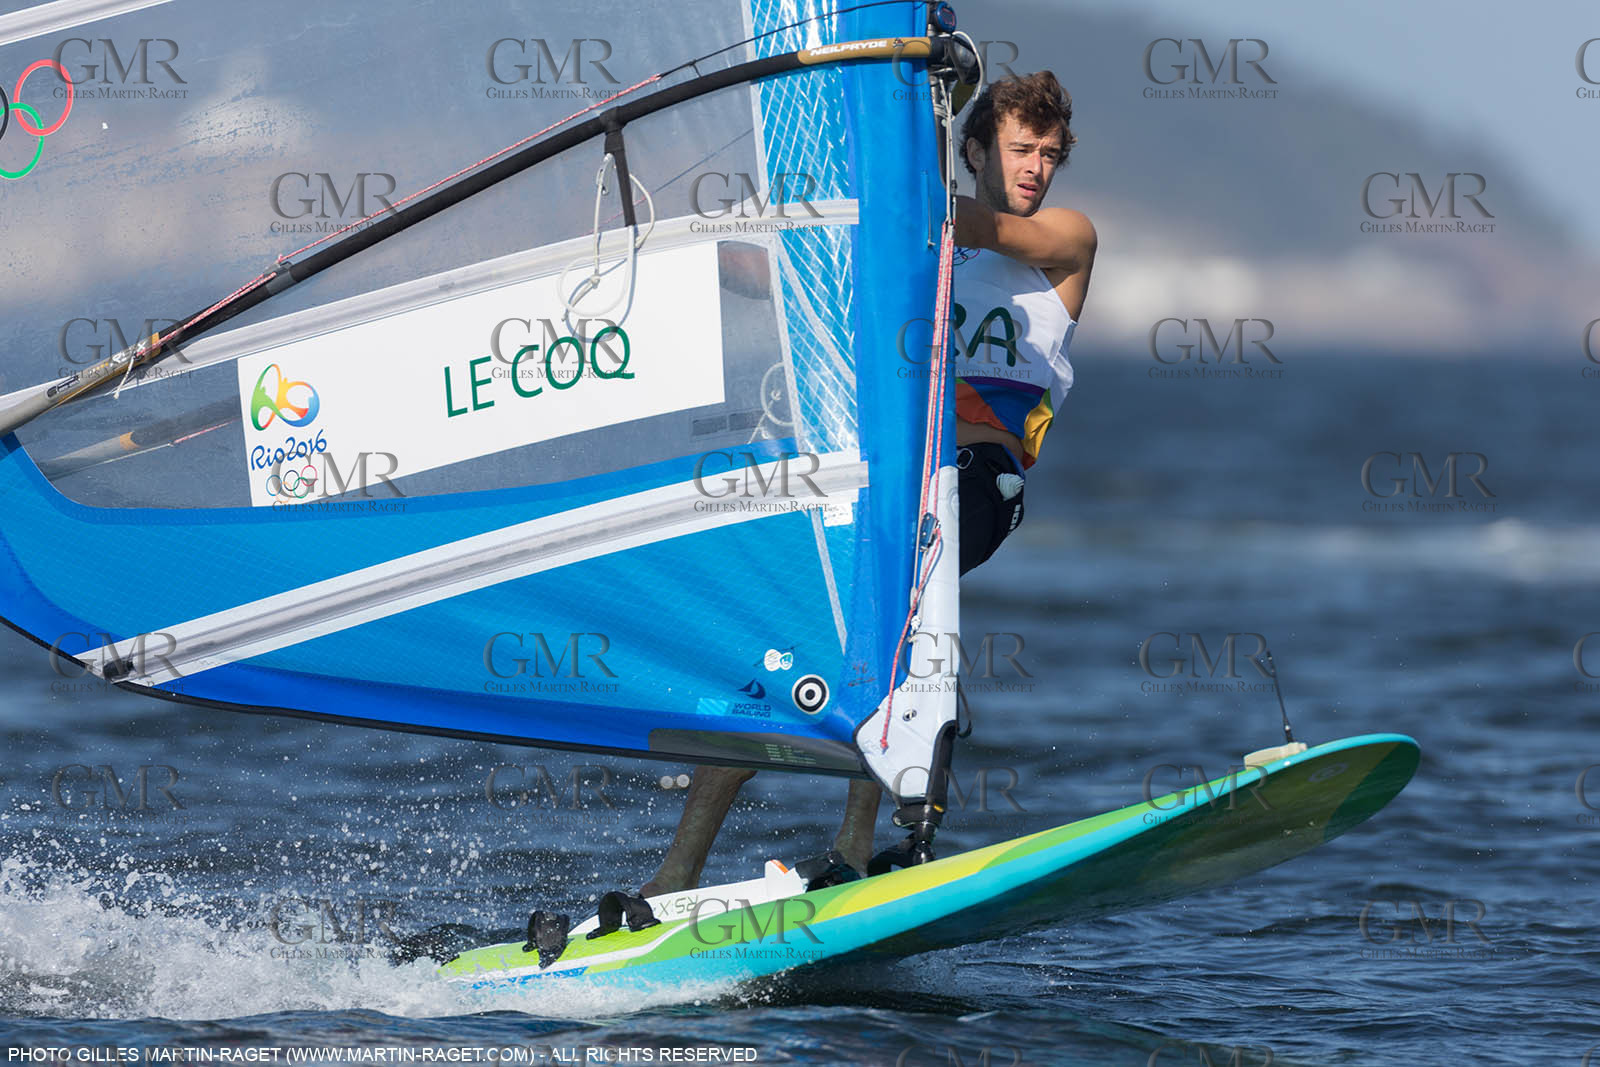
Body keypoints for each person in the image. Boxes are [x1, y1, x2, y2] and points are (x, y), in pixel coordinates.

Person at [640, 71, 1095, 897]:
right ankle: (675, 874)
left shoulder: (1062, 242)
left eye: (1050, 154)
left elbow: (970, 226)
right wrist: (678, 251)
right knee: (784, 651)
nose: (1037, 167)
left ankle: (856, 846)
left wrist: (893, 158)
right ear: (973, 149)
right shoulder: (902, 247)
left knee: (892, 619)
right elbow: (768, 273)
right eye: (1020, 148)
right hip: (887, 474)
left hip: (979, 478)